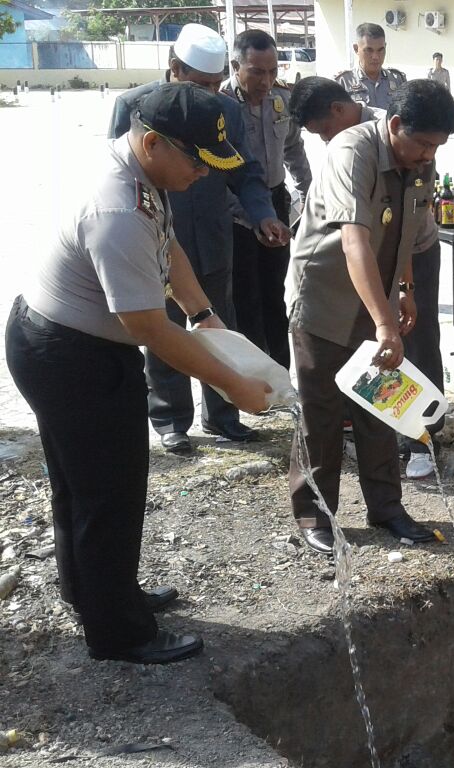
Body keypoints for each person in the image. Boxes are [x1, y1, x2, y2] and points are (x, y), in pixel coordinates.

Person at [6, 83, 271, 663]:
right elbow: (151, 329)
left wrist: (202, 313)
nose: (205, 174)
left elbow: (168, 243)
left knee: (83, 485)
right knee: (110, 493)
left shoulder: (140, 168)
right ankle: (120, 634)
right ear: (153, 141)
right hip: (70, 355)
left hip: (68, 342)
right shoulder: (117, 208)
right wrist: (234, 383)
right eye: (198, 161)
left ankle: (98, 594)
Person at [285, 79, 454, 555]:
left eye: (436, 146)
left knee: (380, 406)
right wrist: (385, 325)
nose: (428, 155)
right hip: (323, 298)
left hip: (376, 297)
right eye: (423, 143)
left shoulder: (419, 160)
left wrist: (402, 289)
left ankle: (386, 507)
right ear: (396, 125)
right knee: (321, 414)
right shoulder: (351, 152)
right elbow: (354, 242)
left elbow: (405, 225)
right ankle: (313, 512)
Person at [108, 24, 289, 456]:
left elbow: (244, 173)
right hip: (153, 236)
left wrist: (263, 215)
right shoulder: (134, 106)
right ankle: (172, 420)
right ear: (174, 69)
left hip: (212, 235)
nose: (209, 93)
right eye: (199, 84)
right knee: (164, 326)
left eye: (214, 83)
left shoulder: (225, 109)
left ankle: (223, 414)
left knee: (217, 324)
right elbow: (124, 174)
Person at [222, 29, 311, 368]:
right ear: (235, 66)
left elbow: (293, 148)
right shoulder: (222, 105)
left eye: (273, 71)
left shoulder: (281, 100)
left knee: (275, 293)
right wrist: (249, 218)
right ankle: (254, 375)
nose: (266, 80)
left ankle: (279, 373)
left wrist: (306, 194)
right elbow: (220, 177)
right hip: (235, 212)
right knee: (245, 296)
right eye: (257, 72)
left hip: (276, 203)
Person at [334, 23, 407, 111]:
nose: (375, 56)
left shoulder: (397, 79)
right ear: (356, 49)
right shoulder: (343, 82)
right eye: (369, 50)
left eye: (380, 50)